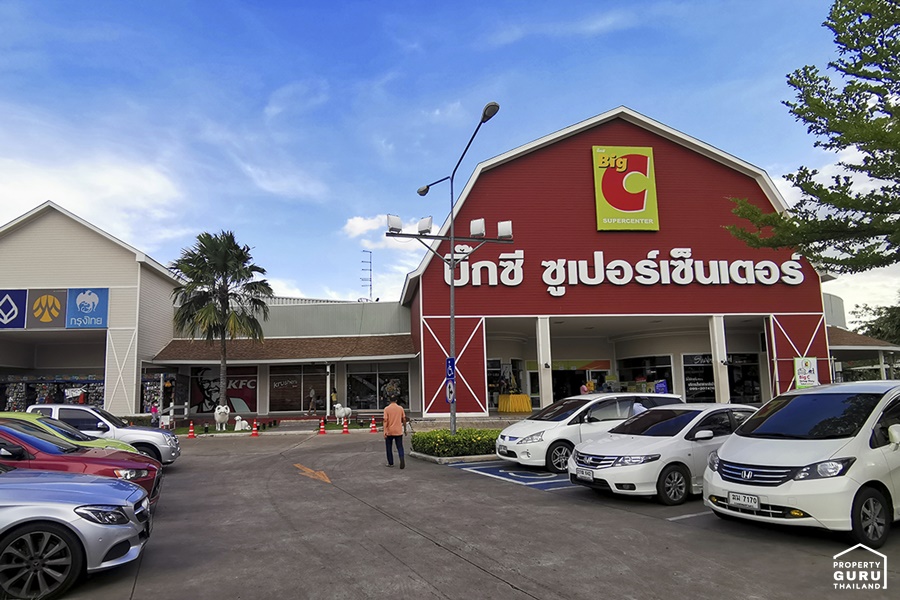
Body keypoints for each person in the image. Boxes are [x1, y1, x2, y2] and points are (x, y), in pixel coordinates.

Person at [383, 396, 408, 469]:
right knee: (400, 447)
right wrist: (405, 429)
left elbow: (385, 420)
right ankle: (401, 458)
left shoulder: (386, 409)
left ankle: (390, 463)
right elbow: (404, 419)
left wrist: (384, 431)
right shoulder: (400, 408)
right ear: (396, 400)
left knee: (389, 447)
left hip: (389, 431)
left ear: (389, 400)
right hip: (398, 431)